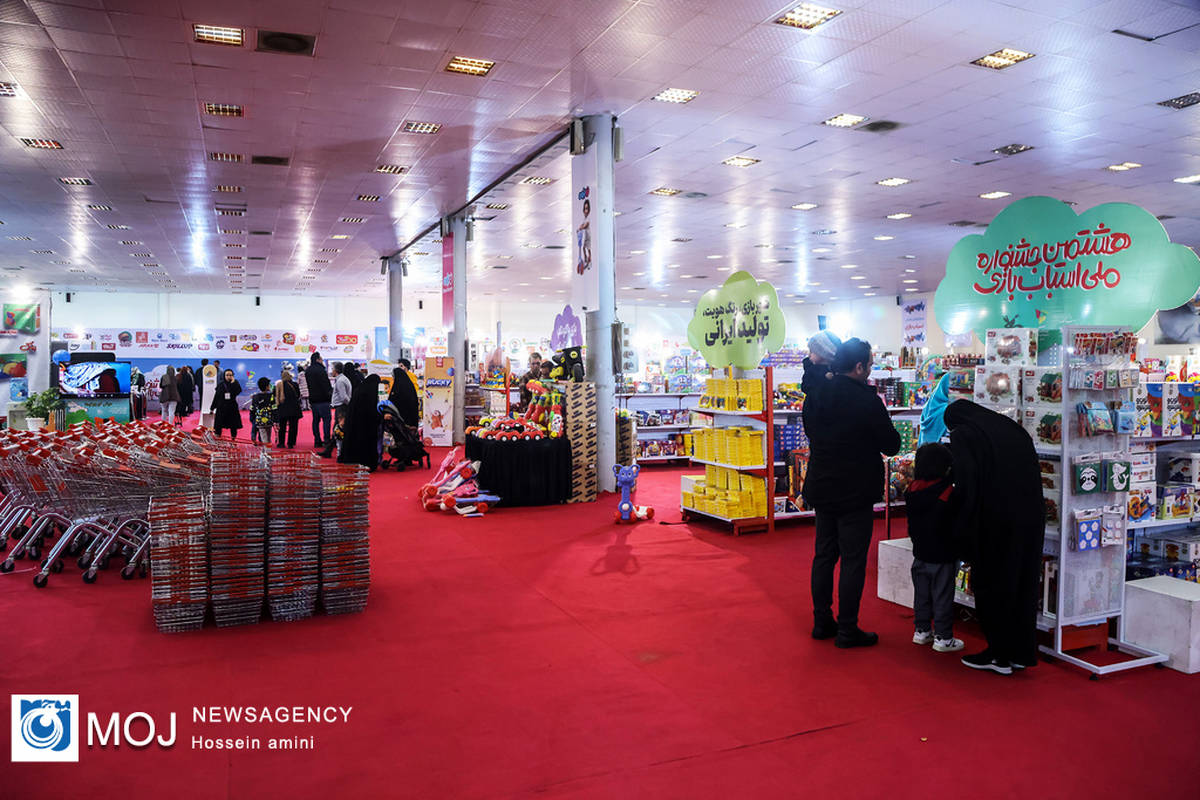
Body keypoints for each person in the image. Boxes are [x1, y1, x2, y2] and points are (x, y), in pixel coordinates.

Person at [802, 337, 901, 649]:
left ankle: (821, 621)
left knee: (824, 555)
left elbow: (810, 430)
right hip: (855, 489)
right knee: (853, 559)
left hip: (823, 484)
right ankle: (847, 629)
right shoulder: (866, 400)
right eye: (869, 364)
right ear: (859, 367)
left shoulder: (817, 393)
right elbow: (891, 445)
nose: (870, 369)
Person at [945, 399, 1045, 675]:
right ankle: (1021, 653)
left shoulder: (965, 434)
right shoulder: (1011, 428)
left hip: (995, 520)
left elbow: (967, 484)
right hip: (1031, 516)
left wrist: (961, 528)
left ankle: (998, 655)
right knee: (1023, 583)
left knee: (992, 584)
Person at [905, 443, 965, 654]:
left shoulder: (912, 489)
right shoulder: (947, 491)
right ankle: (943, 636)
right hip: (942, 554)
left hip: (920, 552)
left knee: (921, 595)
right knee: (942, 597)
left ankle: (921, 630)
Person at [338, 374, 382, 470]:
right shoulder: (369, 394)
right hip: (365, 426)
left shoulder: (360, 390)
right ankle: (366, 463)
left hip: (354, 423)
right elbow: (371, 412)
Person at [320, 362, 354, 458]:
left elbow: (344, 397)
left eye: (332, 369)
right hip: (341, 407)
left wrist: (350, 405)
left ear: (335, 370)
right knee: (337, 430)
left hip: (341, 407)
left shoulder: (340, 381)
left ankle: (336, 452)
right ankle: (329, 450)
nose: (332, 371)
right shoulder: (342, 379)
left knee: (338, 430)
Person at [306, 353, 333, 448]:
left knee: (315, 421)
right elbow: (326, 385)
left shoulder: (308, 370)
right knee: (326, 420)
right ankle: (326, 439)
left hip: (313, 399)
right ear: (318, 359)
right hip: (323, 399)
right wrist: (330, 394)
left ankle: (317, 440)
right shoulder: (321, 370)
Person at [210, 368, 243, 439]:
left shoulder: (235, 383)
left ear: (233, 376)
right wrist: (212, 408)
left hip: (232, 407)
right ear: (224, 376)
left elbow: (238, 391)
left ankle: (233, 438)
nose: (229, 377)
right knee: (219, 424)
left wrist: (233, 383)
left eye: (230, 375)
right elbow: (216, 397)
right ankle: (217, 437)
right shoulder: (220, 385)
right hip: (221, 407)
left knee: (233, 424)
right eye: (227, 375)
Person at [274, 367, 302, 449]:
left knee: (282, 427)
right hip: (294, 408)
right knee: (293, 427)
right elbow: (298, 395)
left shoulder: (279, 385)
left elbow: (275, 395)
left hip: (283, 408)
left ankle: (281, 443)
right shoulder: (295, 385)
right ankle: (291, 443)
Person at [389, 362, 419, 427]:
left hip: (400, 420)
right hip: (410, 420)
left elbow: (392, 400)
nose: (393, 378)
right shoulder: (409, 385)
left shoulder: (397, 387)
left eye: (394, 376)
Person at [250, 377, 275, 445]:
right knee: (268, 437)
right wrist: (276, 419)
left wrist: (252, 418)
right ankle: (267, 450)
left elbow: (252, 408)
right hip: (269, 420)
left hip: (259, 420)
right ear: (267, 386)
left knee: (264, 437)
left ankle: (266, 449)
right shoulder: (271, 396)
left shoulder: (255, 397)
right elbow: (274, 408)